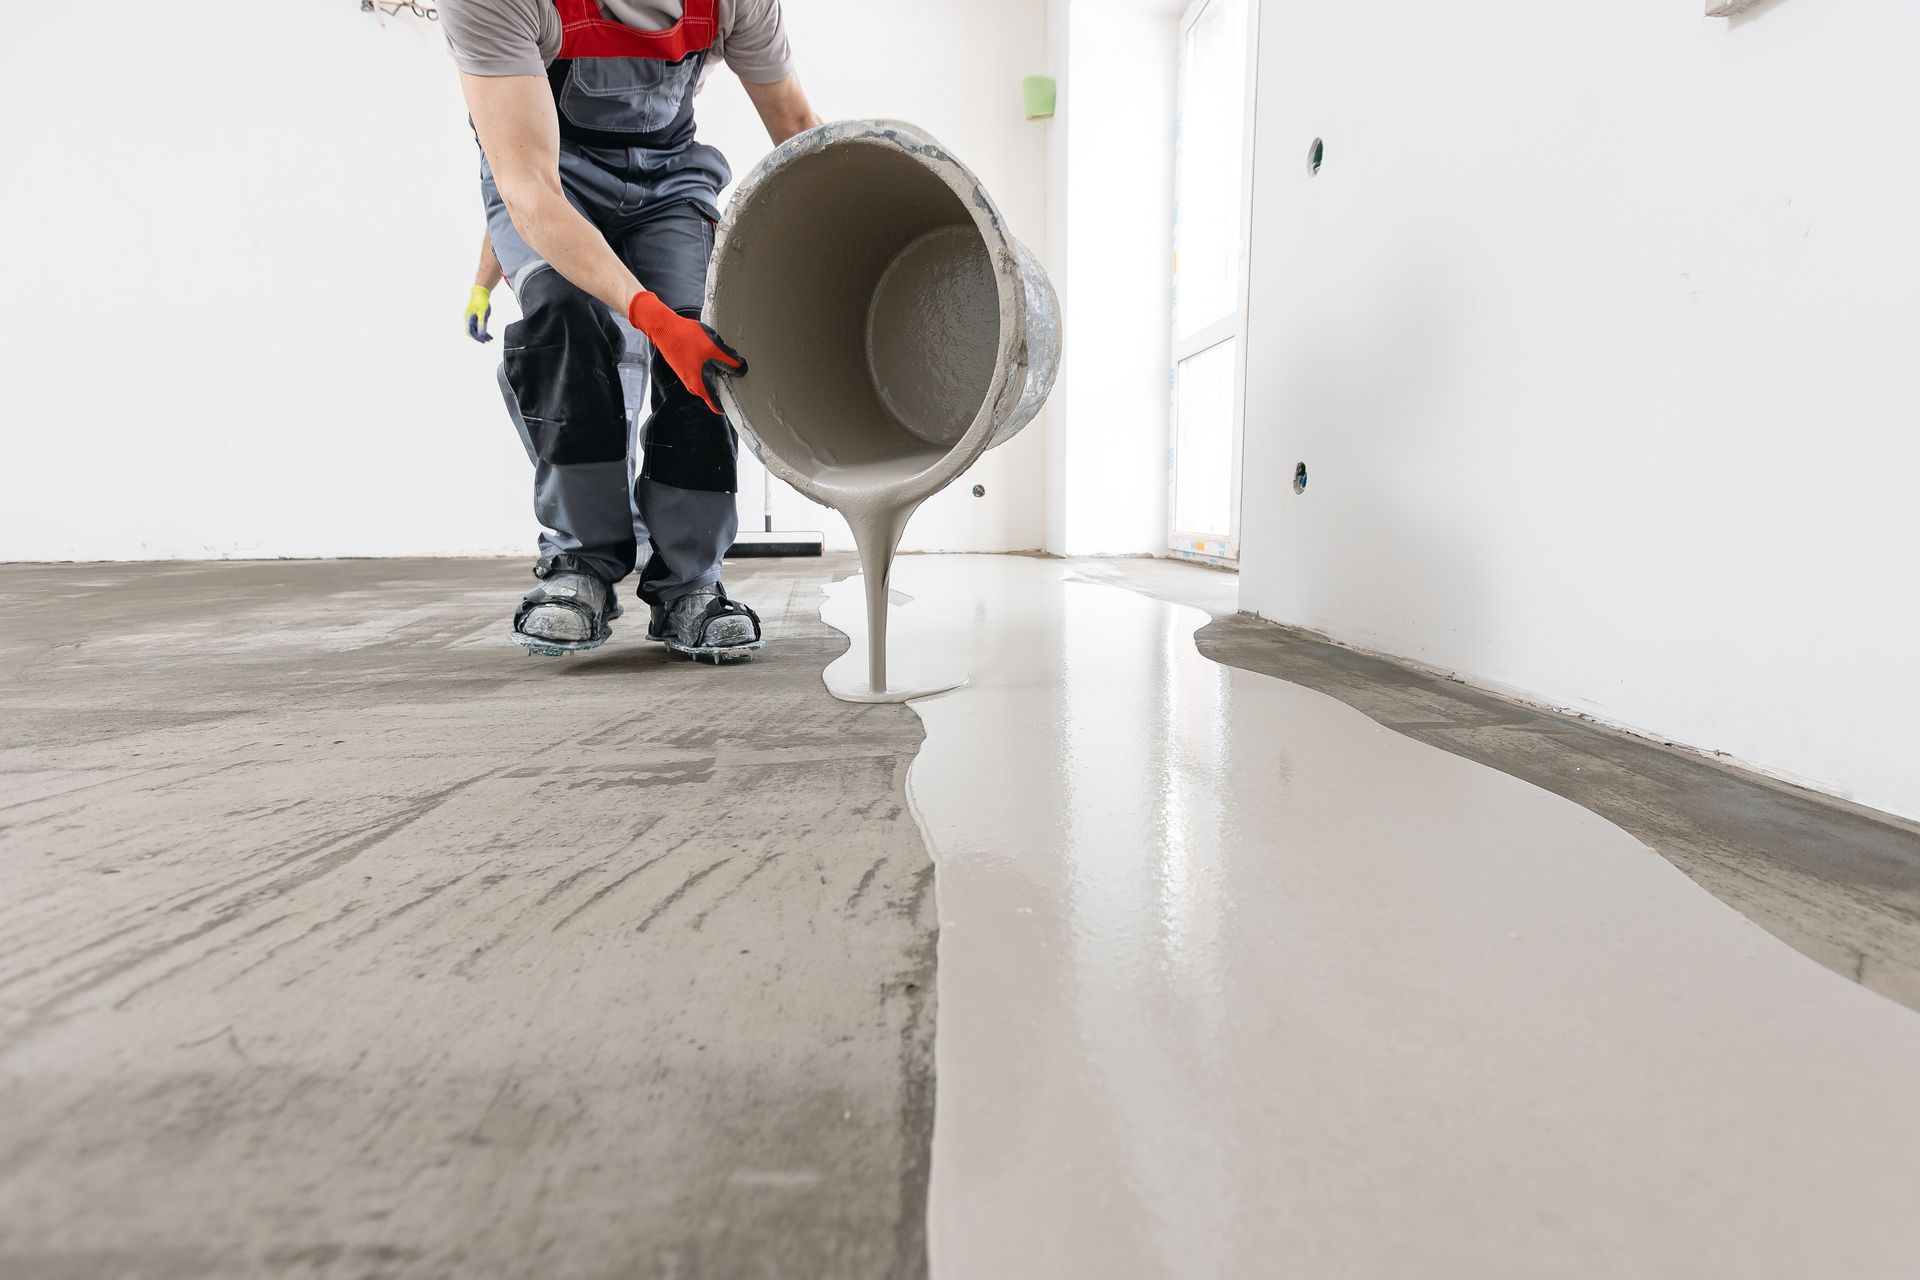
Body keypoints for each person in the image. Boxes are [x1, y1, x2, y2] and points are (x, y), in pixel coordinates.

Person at [439, 0, 821, 661]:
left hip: (671, 180)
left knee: (706, 345)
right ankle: (579, 566)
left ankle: (689, 582)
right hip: (555, 181)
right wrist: (646, 317)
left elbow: (796, 126)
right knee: (566, 324)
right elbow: (528, 186)